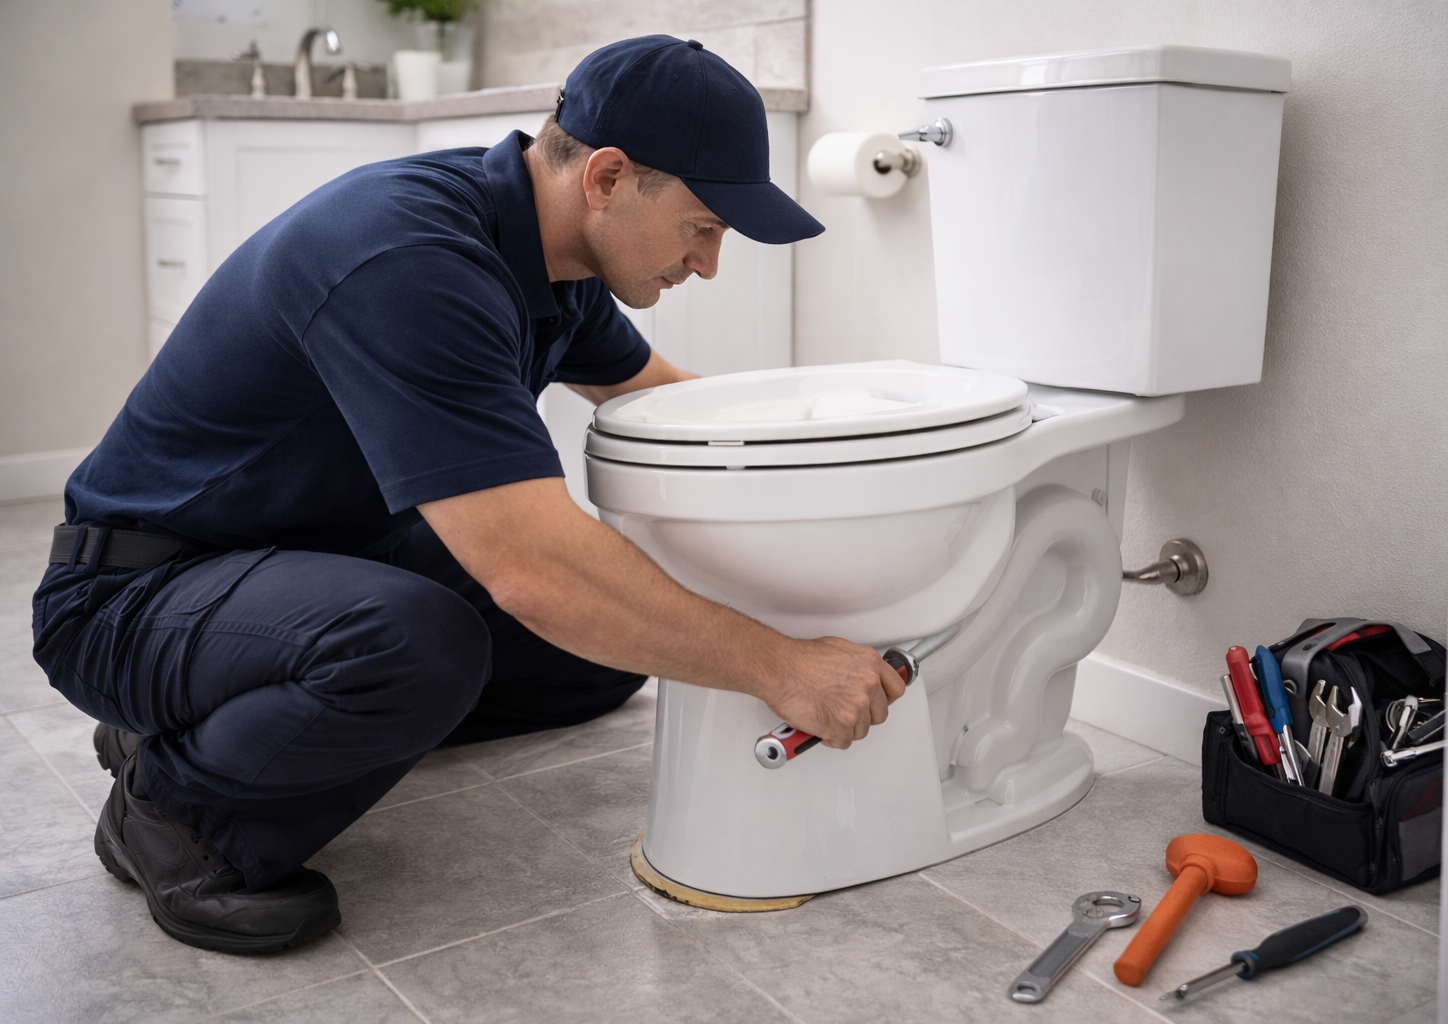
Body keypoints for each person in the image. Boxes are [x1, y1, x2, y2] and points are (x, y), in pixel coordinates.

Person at [30, 36, 905, 955]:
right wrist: (780, 667)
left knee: (601, 655)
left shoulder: (550, 258)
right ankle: (179, 810)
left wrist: (830, 474)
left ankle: (228, 723)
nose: (709, 262)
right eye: (703, 227)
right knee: (425, 643)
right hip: (133, 595)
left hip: (304, 557)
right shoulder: (410, 257)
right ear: (607, 177)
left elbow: (667, 402)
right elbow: (530, 567)